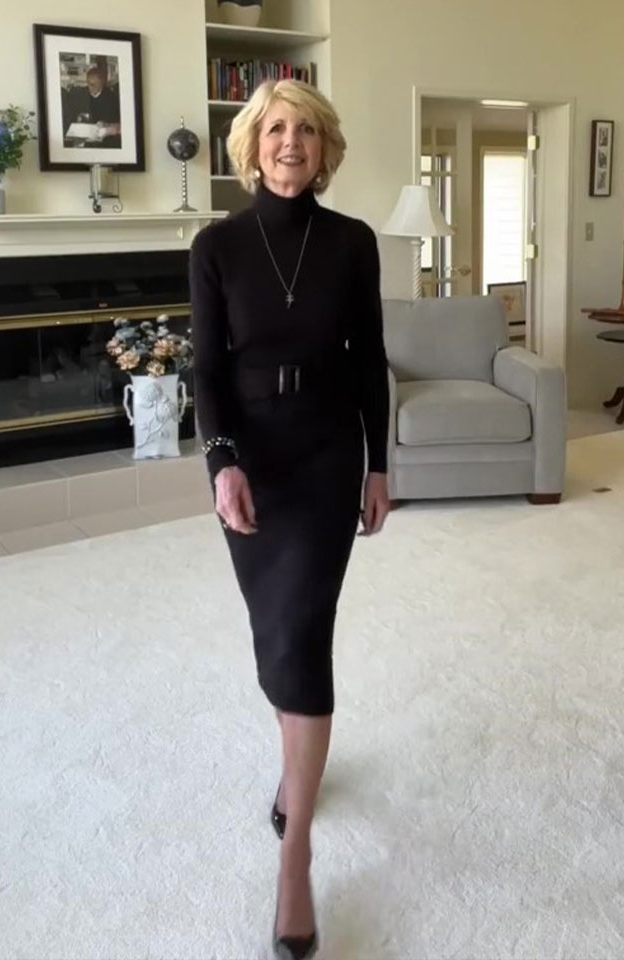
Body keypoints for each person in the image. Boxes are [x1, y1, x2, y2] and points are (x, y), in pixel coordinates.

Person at [190, 79, 390, 960]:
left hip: (326, 455)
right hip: (253, 459)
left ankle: (296, 854)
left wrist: (379, 463)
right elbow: (206, 369)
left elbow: (371, 359)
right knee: (275, 634)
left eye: (306, 129)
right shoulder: (216, 246)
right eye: (276, 128)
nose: (290, 143)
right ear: (253, 143)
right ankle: (296, 774)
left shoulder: (352, 242)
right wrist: (222, 463)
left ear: (324, 147)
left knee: (304, 632)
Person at [62, 65, 121, 147]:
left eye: (94, 85)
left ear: (101, 84)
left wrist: (106, 124)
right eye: (89, 84)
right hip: (81, 138)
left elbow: (118, 123)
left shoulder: (112, 98)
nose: (90, 87)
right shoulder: (78, 94)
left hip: (104, 141)